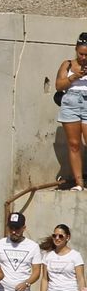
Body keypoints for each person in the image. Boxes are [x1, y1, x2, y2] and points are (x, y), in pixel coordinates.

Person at [56, 36, 87, 191]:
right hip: (71, 104)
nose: (83, 58)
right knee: (74, 144)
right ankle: (79, 183)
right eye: (81, 54)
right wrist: (75, 76)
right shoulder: (67, 64)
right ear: (76, 49)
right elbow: (58, 85)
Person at [0, 212, 44, 291]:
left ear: (24, 228)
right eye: (11, 228)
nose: (13, 232)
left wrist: (26, 283)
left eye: (17, 228)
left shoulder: (33, 246)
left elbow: (37, 272)